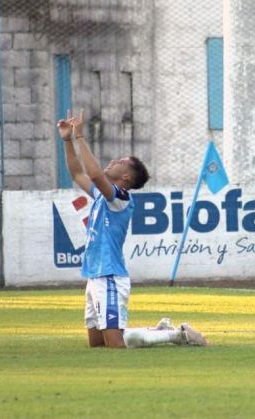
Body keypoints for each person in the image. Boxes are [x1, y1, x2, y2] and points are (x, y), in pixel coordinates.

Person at [57, 109, 208, 349]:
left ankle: (177, 335)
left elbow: (94, 174)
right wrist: (67, 139)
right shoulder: (102, 195)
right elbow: (78, 172)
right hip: (95, 275)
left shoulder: (121, 197)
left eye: (119, 162)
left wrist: (81, 136)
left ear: (126, 177)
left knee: (116, 344)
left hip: (110, 276)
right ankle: (161, 331)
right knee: (97, 344)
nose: (112, 161)